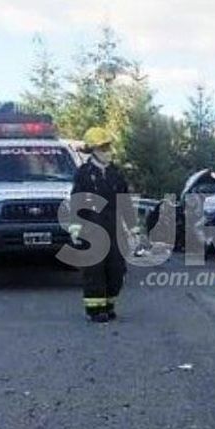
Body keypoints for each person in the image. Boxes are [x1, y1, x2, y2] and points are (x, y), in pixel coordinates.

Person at [69, 127, 130, 323]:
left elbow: (125, 200)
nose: (108, 151)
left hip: (114, 227)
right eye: (103, 148)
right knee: (94, 270)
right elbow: (77, 200)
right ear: (93, 150)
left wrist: (132, 227)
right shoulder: (84, 173)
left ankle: (109, 305)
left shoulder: (115, 173)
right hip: (91, 226)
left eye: (108, 147)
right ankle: (95, 310)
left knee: (116, 269)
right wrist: (76, 228)